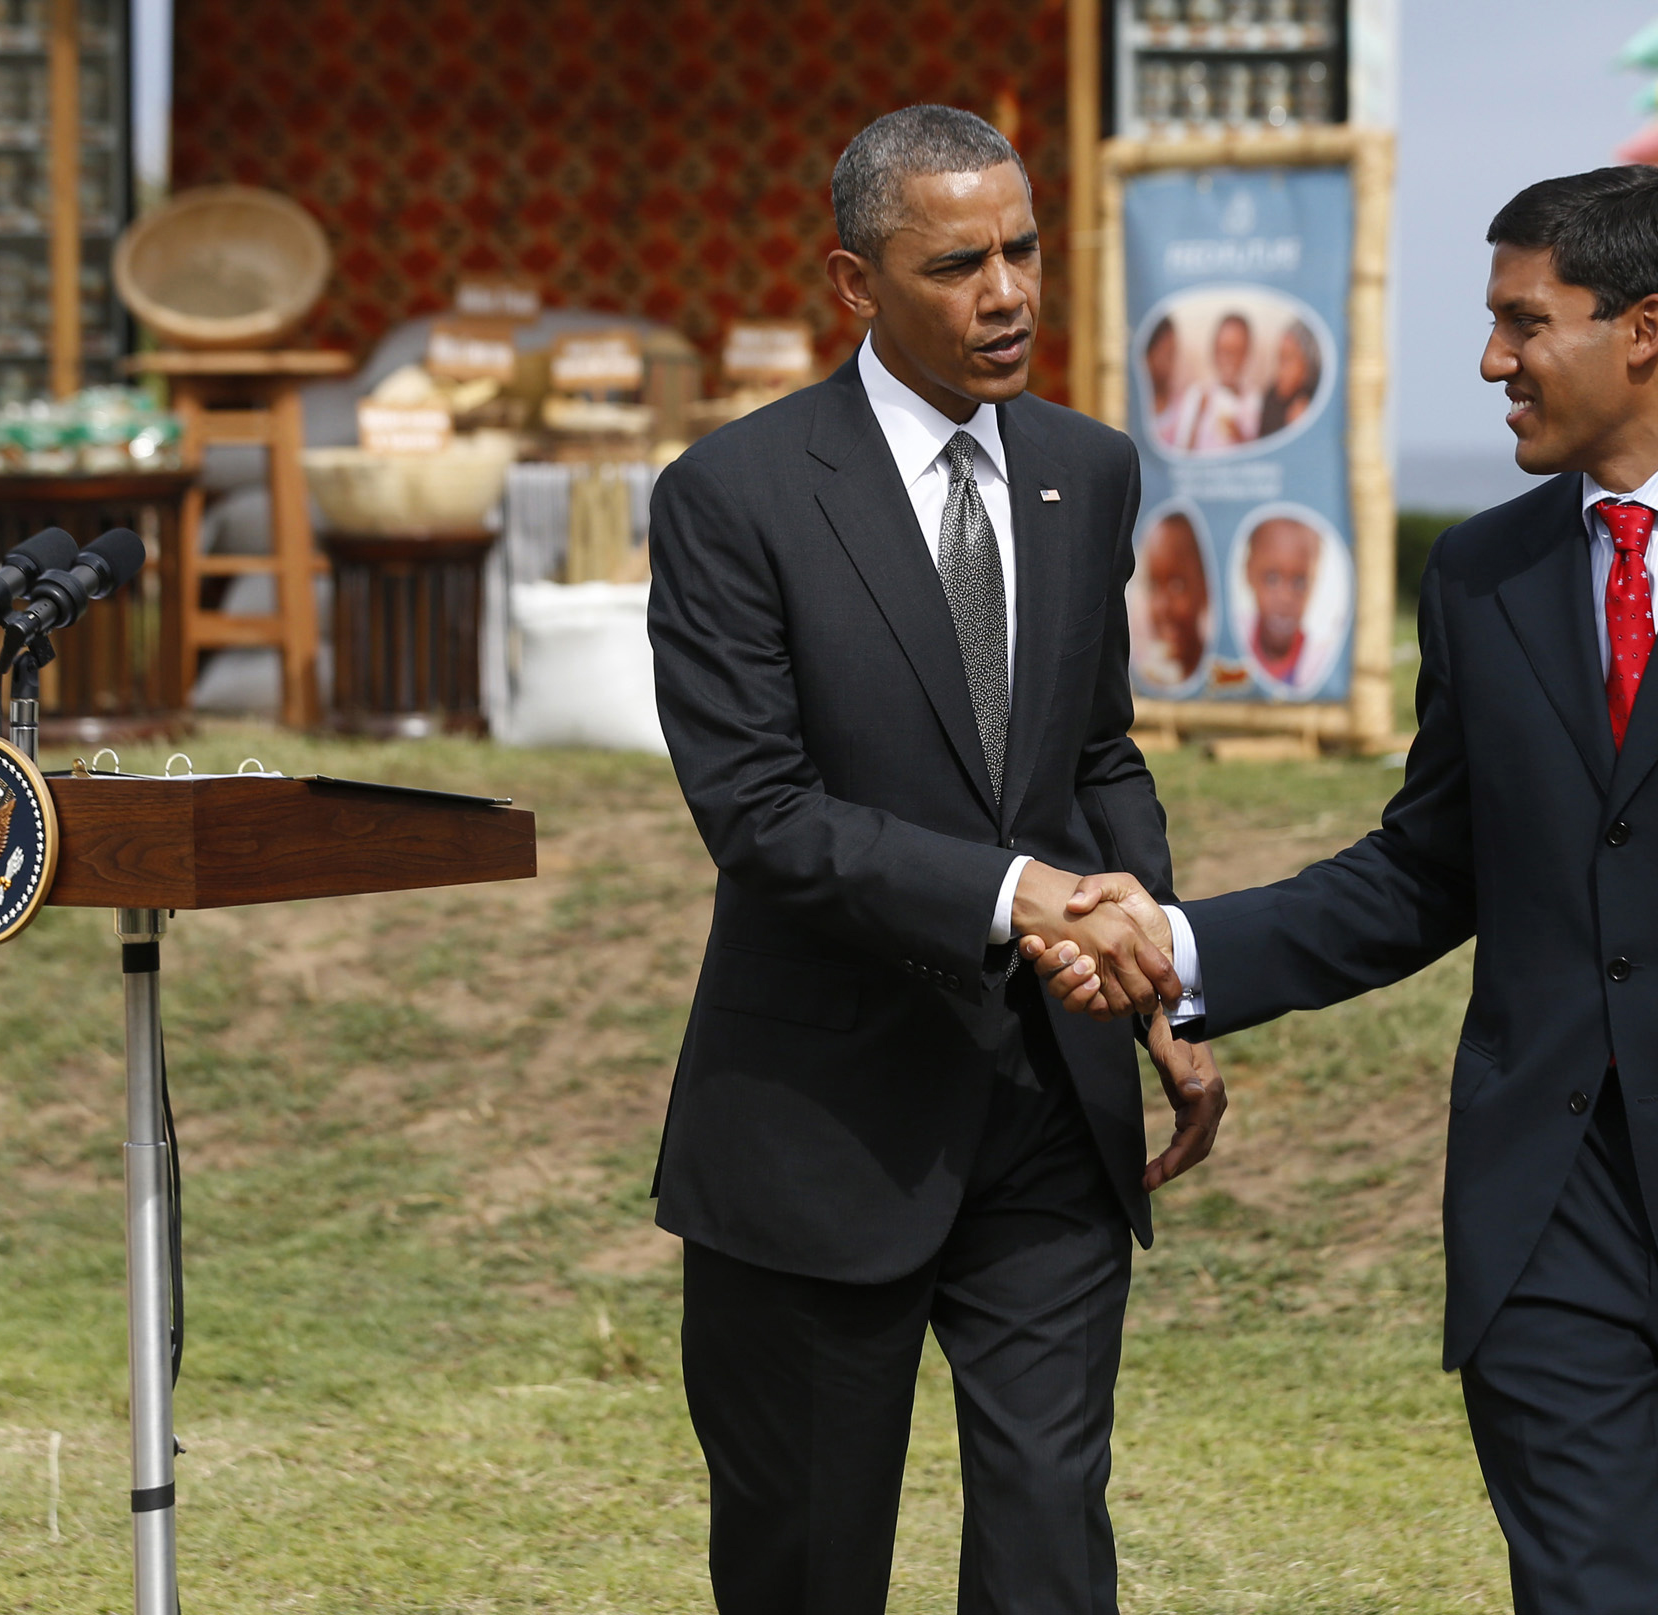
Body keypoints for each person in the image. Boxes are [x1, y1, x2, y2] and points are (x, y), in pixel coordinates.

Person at [1030, 166, 1658, 1615]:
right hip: (1550, 1221)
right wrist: (1172, 943)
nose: (1491, 361)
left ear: (1646, 328)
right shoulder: (1482, 574)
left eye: (1521, 322)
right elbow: (1426, 867)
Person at [645, 103, 1221, 1615]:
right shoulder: (733, 497)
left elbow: (1095, 753)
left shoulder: (1090, 471)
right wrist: (1005, 892)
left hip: (1049, 1104)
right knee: (809, 1562)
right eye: (959, 263)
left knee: (1048, 1541)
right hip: (821, 1125)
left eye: (1024, 250)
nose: (1009, 293)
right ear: (854, 283)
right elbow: (758, 809)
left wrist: (1147, 951)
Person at [1241, 515, 1320, 688]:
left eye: (1300, 582)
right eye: (1272, 578)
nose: (1286, 597)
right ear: (1248, 572)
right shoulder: (1233, 639)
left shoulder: (1317, 662)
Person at [1137, 509, 1210, 687]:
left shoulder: (1215, 671)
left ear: (1203, 585)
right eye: (1153, 585)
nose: (1162, 607)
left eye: (1177, 586)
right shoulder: (1148, 678)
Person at [1184, 312, 1258, 453]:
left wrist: (1239, 435)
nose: (1229, 359)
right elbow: (1181, 454)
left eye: (1237, 351)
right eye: (1224, 351)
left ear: (1246, 354)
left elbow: (1260, 457)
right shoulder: (1198, 394)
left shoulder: (1254, 398)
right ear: (1214, 351)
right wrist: (1198, 416)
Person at [1256, 321, 1322, 439]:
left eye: (1288, 359)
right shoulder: (1271, 397)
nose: (1280, 371)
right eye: (1279, 358)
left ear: (1308, 364)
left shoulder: (1318, 401)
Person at [1144, 314, 1196, 449]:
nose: (1173, 364)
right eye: (1168, 355)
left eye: (1174, 355)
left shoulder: (1186, 405)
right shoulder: (1131, 406)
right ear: (1148, 356)